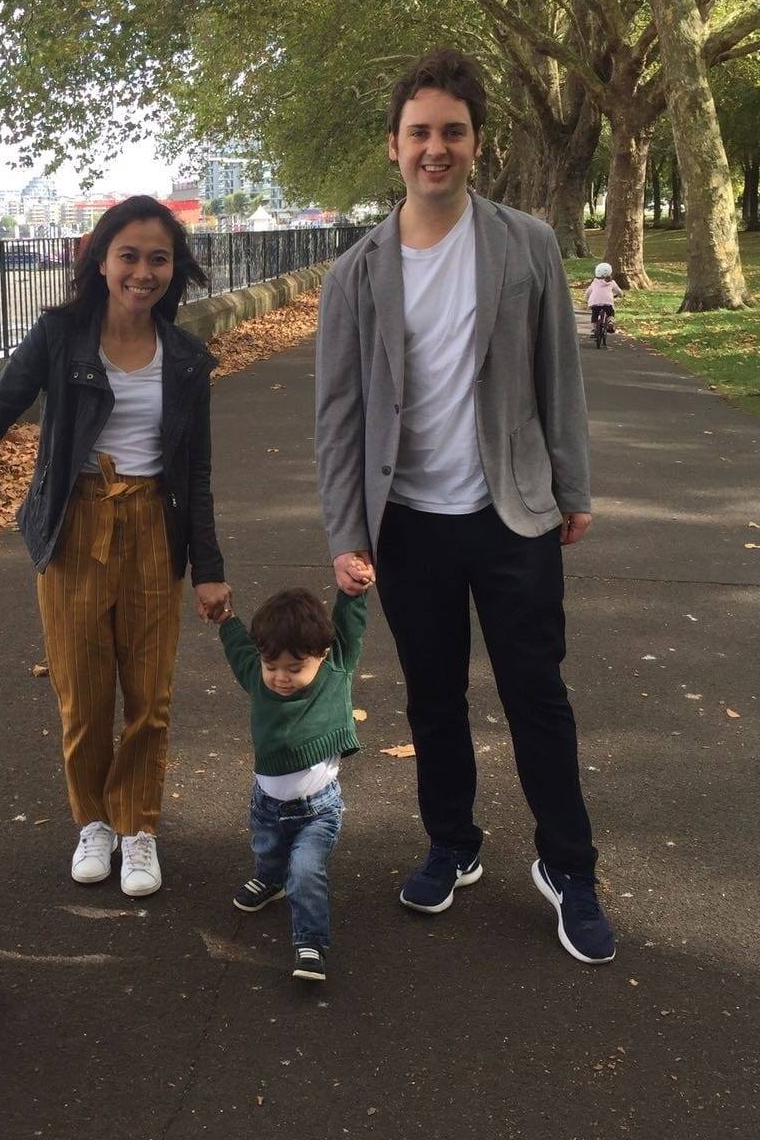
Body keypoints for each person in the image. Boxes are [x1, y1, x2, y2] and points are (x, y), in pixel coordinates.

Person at [314, 48, 615, 963]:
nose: (434, 149)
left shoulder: (525, 243)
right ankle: (453, 844)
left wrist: (573, 485)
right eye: (419, 134)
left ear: (475, 143)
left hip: (512, 511)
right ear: (394, 148)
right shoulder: (355, 273)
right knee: (433, 699)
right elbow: (339, 415)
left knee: (538, 695)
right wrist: (345, 530)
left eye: (451, 132)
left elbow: (556, 372)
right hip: (407, 524)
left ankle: (570, 868)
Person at [0, 196, 232, 897]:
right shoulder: (59, 337)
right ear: (100, 261)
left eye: (159, 259)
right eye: (130, 256)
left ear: (175, 271)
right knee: (83, 693)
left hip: (152, 527)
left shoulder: (185, 360)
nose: (143, 272)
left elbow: (196, 472)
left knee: (149, 693)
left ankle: (139, 828)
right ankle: (95, 822)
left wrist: (209, 570)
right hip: (74, 524)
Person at [217, 586, 369, 982]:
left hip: (318, 811)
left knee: (305, 870)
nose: (281, 677)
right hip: (266, 802)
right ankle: (270, 880)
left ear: (321, 655)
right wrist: (224, 618)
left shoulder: (335, 673)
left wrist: (353, 592)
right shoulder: (258, 677)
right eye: (272, 667)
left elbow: (349, 630)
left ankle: (311, 944)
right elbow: (238, 648)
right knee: (267, 848)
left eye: (294, 668)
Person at [586, 262, 622, 347]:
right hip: (607, 302)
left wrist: (587, 299)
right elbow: (618, 291)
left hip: (595, 302)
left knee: (594, 314)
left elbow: (588, 292)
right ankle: (610, 322)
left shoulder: (594, 282)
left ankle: (595, 329)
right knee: (610, 313)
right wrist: (621, 295)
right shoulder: (612, 282)